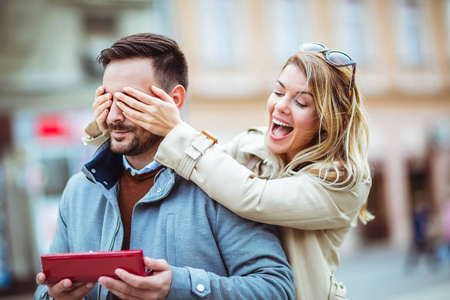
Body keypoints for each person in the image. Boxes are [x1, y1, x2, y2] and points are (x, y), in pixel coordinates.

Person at [87, 42, 373, 299]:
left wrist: (176, 128)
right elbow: (193, 168)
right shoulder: (252, 145)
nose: (280, 107)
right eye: (278, 91)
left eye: (301, 102)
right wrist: (115, 128)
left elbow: (252, 196)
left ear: (328, 120)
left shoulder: (343, 180)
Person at [34, 33, 296, 300]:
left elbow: (276, 289)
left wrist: (180, 286)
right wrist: (54, 296)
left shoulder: (223, 185)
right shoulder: (78, 191)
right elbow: (43, 291)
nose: (113, 116)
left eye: (129, 100)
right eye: (108, 100)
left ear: (175, 100)